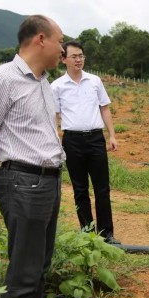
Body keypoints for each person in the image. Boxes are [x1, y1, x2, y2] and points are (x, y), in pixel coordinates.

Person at [0, 15, 65, 298]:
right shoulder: (2, 80)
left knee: (39, 269)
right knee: (24, 275)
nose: (62, 50)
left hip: (48, 181)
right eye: (60, 41)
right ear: (41, 39)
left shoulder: (43, 84)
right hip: (26, 184)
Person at [51, 41, 120, 244]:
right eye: (74, 56)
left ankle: (106, 233)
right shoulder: (56, 86)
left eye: (81, 55)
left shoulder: (95, 81)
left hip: (95, 139)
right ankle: (87, 232)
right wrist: (55, 139)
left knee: (102, 188)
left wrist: (112, 135)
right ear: (64, 59)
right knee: (80, 189)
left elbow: (104, 108)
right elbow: (54, 116)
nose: (79, 59)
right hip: (72, 141)